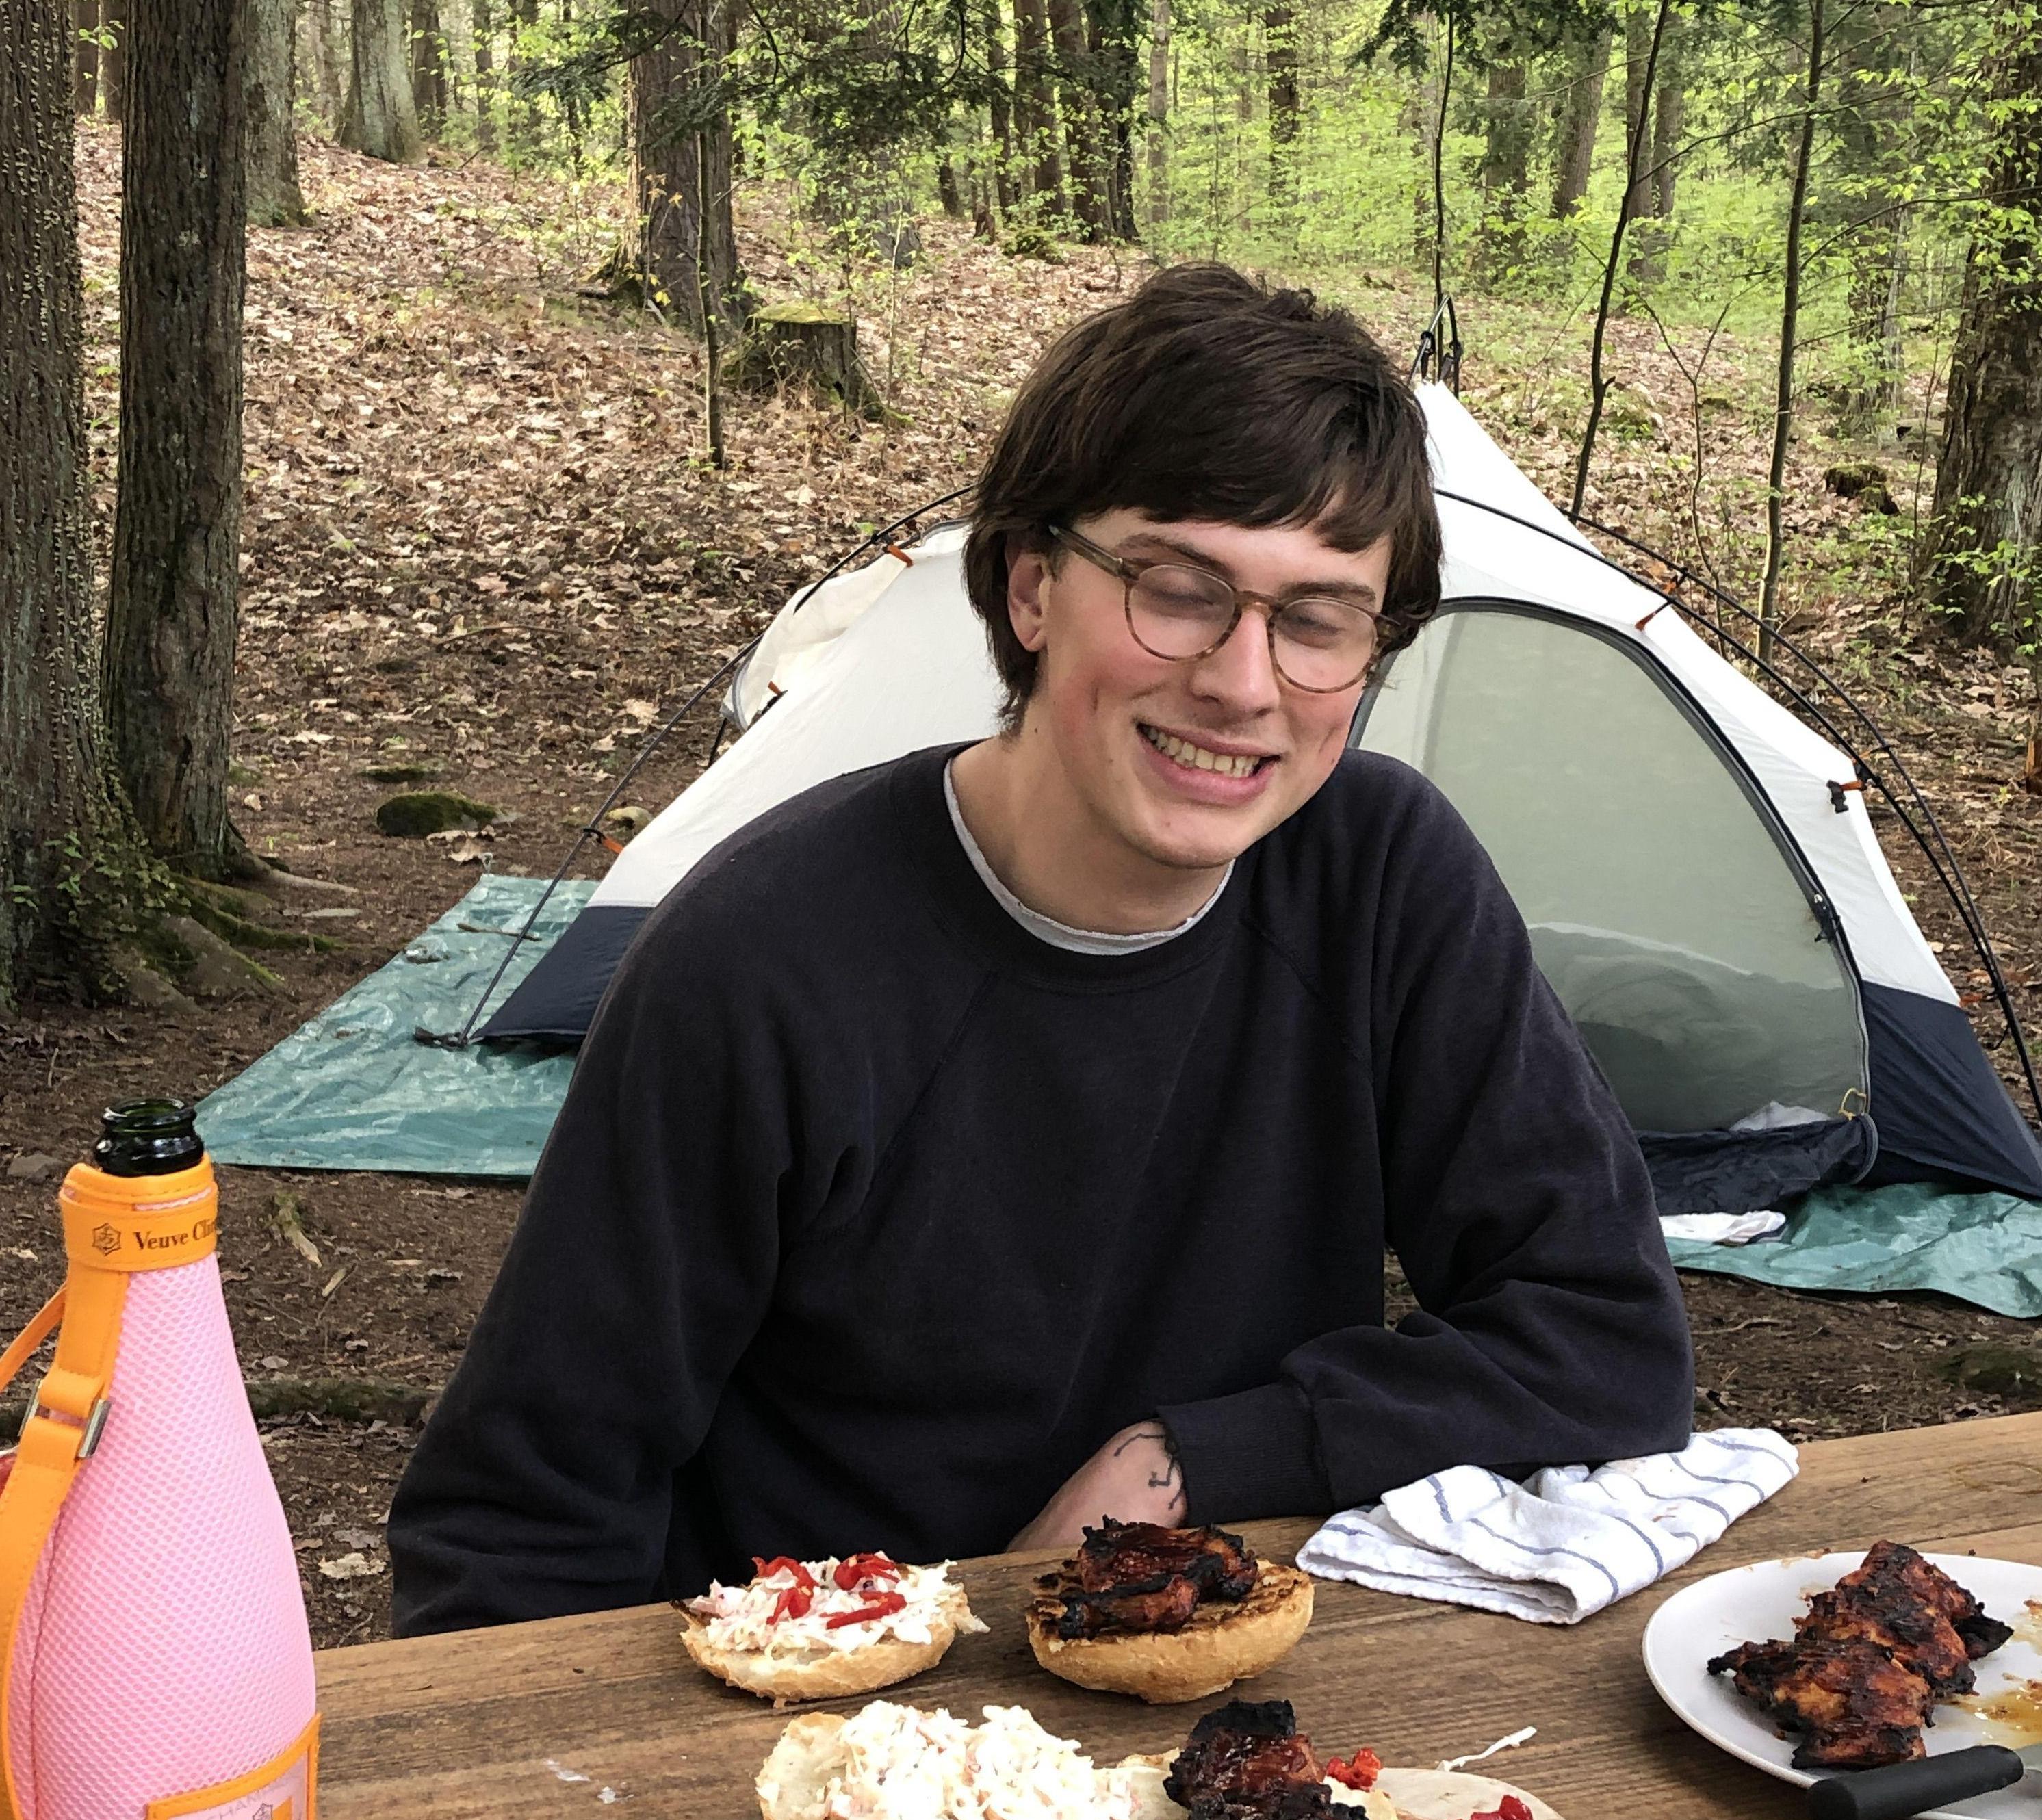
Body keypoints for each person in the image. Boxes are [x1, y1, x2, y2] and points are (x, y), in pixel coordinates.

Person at [388, 264, 1693, 1636]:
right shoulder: (766, 960)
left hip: (1205, 1688)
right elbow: (515, 1521)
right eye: (1177, 590)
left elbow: (1603, 1336)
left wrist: (1184, 1462)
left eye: (1315, 621)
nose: (1243, 684)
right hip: (836, 1732)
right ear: (1028, 589)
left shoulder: (1376, 879)